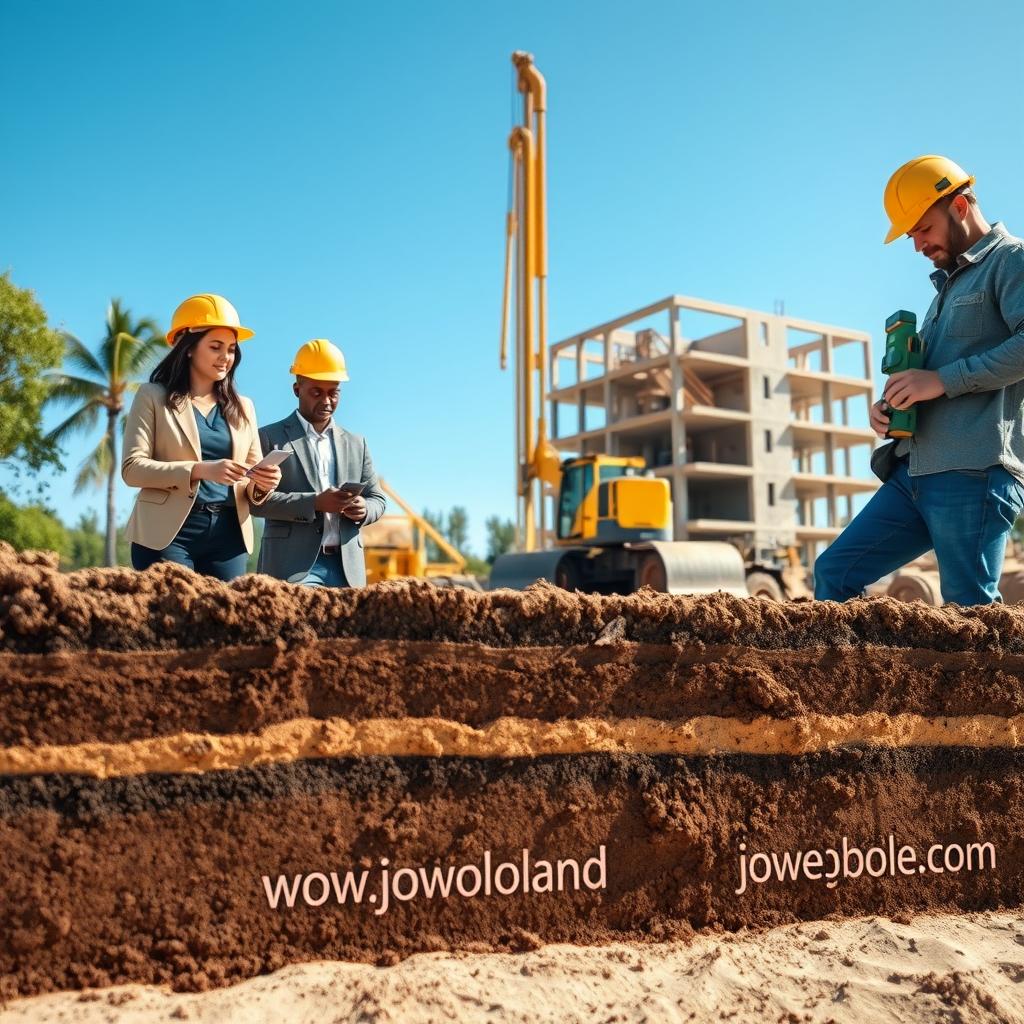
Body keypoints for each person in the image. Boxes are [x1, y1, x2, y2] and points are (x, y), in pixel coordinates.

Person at [815, 155, 1024, 605]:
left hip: (973, 471)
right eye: (911, 235)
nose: (917, 246)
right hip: (913, 472)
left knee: (969, 613)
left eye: (923, 229)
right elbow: (926, 380)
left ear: (961, 206)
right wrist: (892, 407)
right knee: (835, 571)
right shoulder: (944, 293)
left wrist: (942, 381)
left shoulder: (1012, 261)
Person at [122, 293, 282, 581]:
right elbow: (132, 469)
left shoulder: (244, 407)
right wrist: (200, 470)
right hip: (168, 535)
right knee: (176, 619)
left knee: (226, 623)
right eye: (216, 347)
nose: (226, 357)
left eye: (232, 349)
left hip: (228, 535)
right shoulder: (152, 396)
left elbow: (250, 479)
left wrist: (262, 484)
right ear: (188, 348)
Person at [251, 338, 386, 587]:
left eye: (333, 393)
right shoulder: (270, 437)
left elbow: (378, 498)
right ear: (296, 389)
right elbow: (257, 504)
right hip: (293, 569)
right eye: (317, 392)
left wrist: (364, 509)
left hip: (347, 570)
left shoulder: (358, 444)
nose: (326, 401)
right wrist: (314, 503)